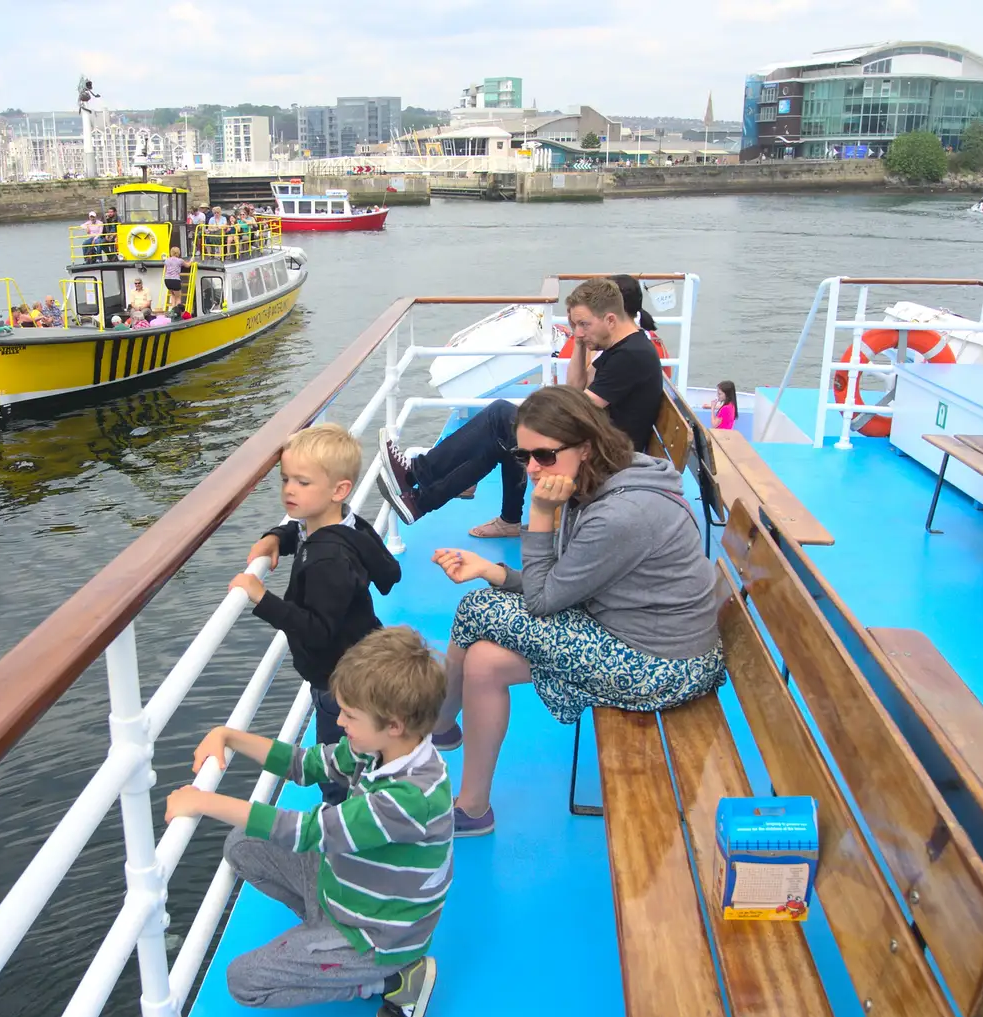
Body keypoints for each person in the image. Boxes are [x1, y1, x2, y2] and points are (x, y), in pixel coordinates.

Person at [427, 386, 724, 836]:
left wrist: (540, 512)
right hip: (639, 632)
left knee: (476, 608)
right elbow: (567, 582)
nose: (531, 468)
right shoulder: (607, 478)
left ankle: (440, 727)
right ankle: (471, 805)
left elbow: (545, 601)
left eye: (544, 455)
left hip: (663, 664)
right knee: (485, 661)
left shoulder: (620, 515)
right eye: (522, 455)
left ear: (585, 447)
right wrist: (493, 569)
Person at [165, 626, 448, 1017]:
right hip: (346, 887)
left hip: (376, 934)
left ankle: (391, 979)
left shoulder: (409, 798)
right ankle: (322, 942)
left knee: (245, 982)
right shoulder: (379, 749)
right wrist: (229, 737)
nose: (340, 720)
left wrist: (204, 802)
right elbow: (305, 763)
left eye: (350, 715)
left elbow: (309, 830)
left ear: (395, 724)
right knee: (242, 844)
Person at [376, 277, 664, 539]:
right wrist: (580, 343)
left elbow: (578, 408)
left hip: (605, 461)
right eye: (574, 325)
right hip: (596, 445)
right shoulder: (619, 348)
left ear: (610, 319)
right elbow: (576, 387)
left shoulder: (631, 356)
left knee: (501, 417)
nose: (578, 332)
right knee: (506, 437)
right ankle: (421, 501)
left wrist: (536, 413)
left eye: (584, 325)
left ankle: (417, 476)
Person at [238, 423, 402, 804]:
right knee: (366, 750)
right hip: (363, 659)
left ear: (339, 489)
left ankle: (343, 820)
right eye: (285, 480)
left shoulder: (329, 559)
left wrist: (262, 599)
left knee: (336, 764)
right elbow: (389, 572)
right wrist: (277, 536)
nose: (289, 490)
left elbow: (317, 631)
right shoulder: (349, 525)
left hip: (337, 681)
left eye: (302, 482)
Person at [163, 246, 188, 310]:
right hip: (175, 280)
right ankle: (177, 312)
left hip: (167, 280)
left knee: (173, 295)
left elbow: (165, 270)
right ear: (178, 253)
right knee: (178, 297)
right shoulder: (180, 260)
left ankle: (173, 310)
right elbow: (187, 265)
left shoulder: (167, 260)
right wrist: (191, 260)